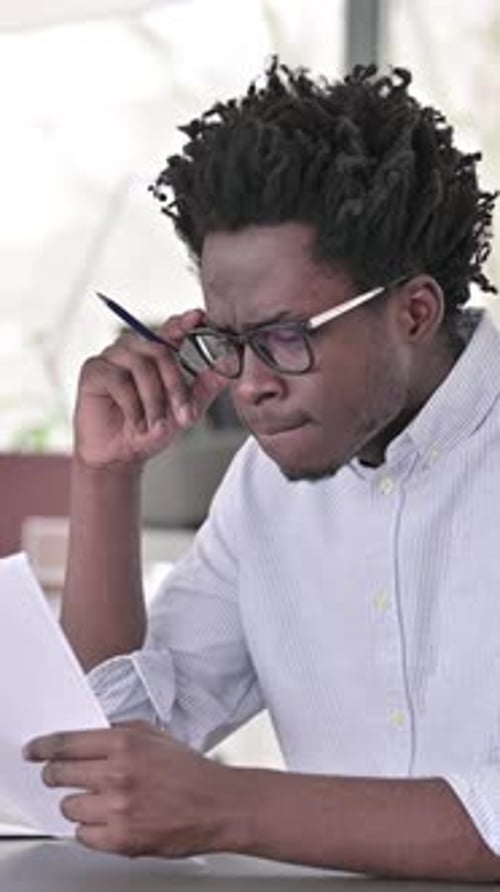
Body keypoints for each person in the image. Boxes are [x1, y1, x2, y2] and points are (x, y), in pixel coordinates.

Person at [23, 60, 500, 880]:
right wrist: (106, 479)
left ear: (415, 311)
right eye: (228, 342)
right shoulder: (264, 488)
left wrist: (230, 805)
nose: (248, 383)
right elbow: (104, 757)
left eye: (285, 336)